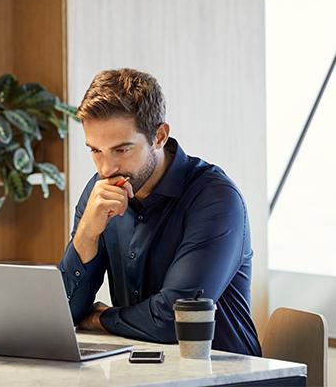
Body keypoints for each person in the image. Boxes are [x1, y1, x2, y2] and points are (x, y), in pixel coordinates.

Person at [59, 68, 261, 356]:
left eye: (121, 150)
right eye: (96, 151)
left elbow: (175, 319)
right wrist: (86, 235)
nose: (106, 168)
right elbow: (65, 311)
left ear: (159, 136)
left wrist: (102, 318)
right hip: (143, 370)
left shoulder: (216, 199)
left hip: (225, 374)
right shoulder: (100, 193)